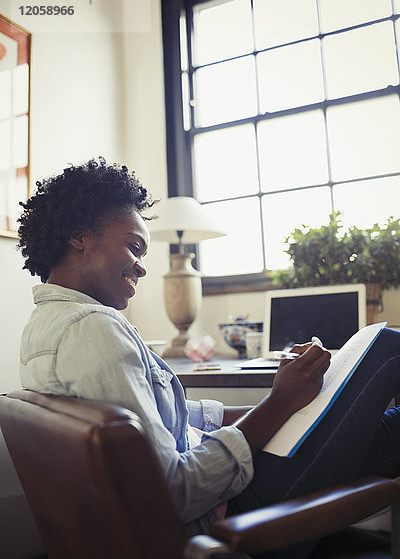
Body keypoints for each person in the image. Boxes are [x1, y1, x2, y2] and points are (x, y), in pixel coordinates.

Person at [18, 158, 400, 556]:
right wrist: (281, 402)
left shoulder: (44, 325)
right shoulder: (93, 328)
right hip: (220, 514)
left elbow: (171, 415)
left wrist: (291, 406)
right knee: (388, 347)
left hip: (208, 492)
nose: (143, 268)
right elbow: (174, 491)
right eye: (135, 247)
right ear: (80, 237)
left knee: (388, 431)